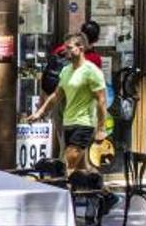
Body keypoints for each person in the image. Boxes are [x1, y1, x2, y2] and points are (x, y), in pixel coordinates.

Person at [30, 32, 109, 173]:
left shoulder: (92, 71)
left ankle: (67, 194)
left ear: (81, 47)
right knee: (82, 170)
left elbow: (102, 101)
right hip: (68, 124)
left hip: (84, 124)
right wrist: (40, 112)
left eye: (69, 48)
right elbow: (56, 95)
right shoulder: (66, 70)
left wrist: (101, 129)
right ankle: (101, 193)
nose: (65, 51)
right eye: (65, 48)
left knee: (66, 167)